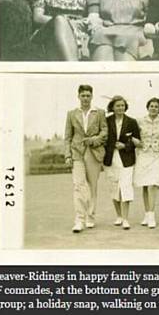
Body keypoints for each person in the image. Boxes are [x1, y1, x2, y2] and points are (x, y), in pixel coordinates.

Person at [64, 85, 107, 233]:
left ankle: (90, 216)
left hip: (94, 153)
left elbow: (105, 132)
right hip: (77, 153)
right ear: (78, 96)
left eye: (88, 95)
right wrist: (67, 155)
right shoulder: (71, 114)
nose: (85, 98)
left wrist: (94, 139)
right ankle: (79, 219)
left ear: (92, 96)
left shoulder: (100, 113)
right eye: (83, 95)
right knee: (78, 185)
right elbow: (68, 137)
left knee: (92, 186)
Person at [103, 96, 141, 229]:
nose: (120, 108)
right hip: (110, 159)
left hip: (127, 159)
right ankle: (118, 216)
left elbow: (137, 141)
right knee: (114, 187)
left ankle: (125, 218)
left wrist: (125, 146)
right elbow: (104, 138)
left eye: (122, 105)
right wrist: (112, 145)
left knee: (125, 187)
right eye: (118, 105)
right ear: (112, 107)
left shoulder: (132, 122)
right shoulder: (106, 121)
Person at [134, 97, 159, 228]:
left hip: (157, 155)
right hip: (143, 155)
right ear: (147, 107)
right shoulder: (140, 121)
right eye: (151, 106)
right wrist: (135, 141)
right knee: (144, 185)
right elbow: (132, 134)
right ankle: (147, 214)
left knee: (152, 185)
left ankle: (152, 215)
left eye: (156, 106)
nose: (153, 108)